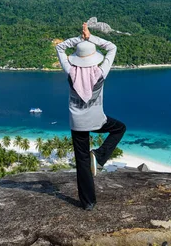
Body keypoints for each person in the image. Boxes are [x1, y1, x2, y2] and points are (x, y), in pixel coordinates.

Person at [55, 22, 127, 211]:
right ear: (94, 58)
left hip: (77, 122)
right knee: (119, 128)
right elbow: (112, 47)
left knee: (82, 161)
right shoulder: (101, 72)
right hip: (97, 120)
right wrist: (90, 38)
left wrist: (80, 39)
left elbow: (59, 47)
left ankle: (88, 202)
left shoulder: (71, 72)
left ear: (77, 58)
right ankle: (100, 155)